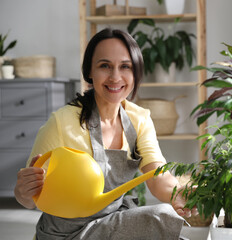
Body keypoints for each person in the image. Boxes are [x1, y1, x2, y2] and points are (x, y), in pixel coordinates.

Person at [14, 28, 196, 240]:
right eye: (104, 66)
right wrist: (23, 192)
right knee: (161, 216)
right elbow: (30, 198)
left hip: (111, 224)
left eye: (125, 66)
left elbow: (157, 176)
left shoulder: (140, 119)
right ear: (89, 71)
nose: (115, 77)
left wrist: (179, 194)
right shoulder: (61, 122)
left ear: (135, 72)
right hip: (63, 234)